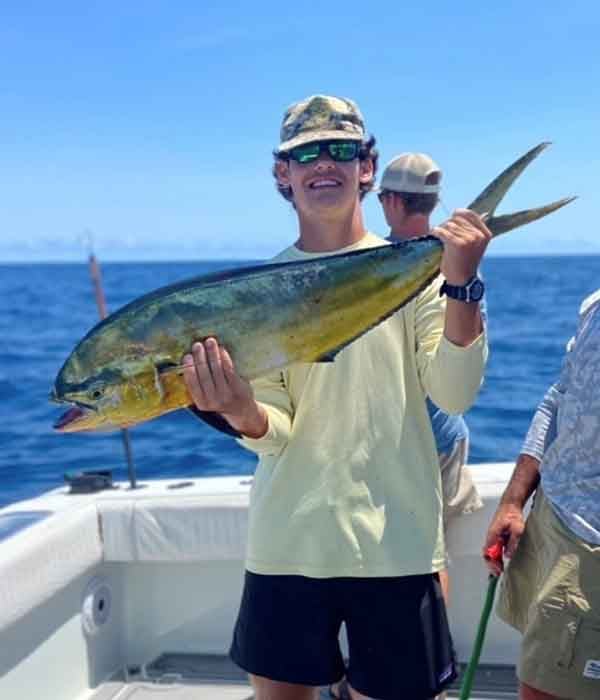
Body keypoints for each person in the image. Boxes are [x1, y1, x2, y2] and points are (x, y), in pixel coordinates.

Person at [183, 94, 491, 700]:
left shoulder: (420, 271)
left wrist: (462, 285)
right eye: (306, 154)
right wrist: (238, 411)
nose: (324, 163)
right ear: (283, 173)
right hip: (288, 543)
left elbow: (455, 393)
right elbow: (277, 429)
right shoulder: (253, 292)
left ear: (366, 167)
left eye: (342, 150)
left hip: (396, 547)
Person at [377, 152, 484, 604]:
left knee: (416, 561)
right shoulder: (459, 265)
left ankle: (424, 660)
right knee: (429, 554)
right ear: (432, 203)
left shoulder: (376, 262)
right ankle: (430, 658)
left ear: (389, 202)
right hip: (446, 437)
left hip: (407, 444)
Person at [484, 289, 600, 700]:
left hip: (590, 547)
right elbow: (559, 396)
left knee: (545, 688)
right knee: (537, 672)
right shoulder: (594, 304)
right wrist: (514, 500)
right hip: (553, 519)